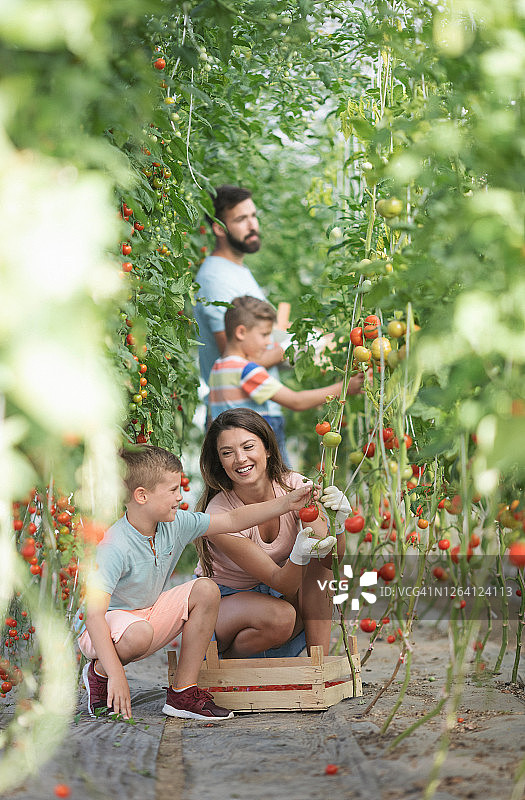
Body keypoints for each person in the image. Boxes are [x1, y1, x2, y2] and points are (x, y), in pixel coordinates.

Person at [77, 444, 329, 721]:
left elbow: (232, 519)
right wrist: (116, 674)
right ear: (142, 496)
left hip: (147, 615)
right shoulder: (115, 545)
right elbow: (94, 615)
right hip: (106, 628)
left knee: (206, 589)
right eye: (172, 490)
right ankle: (99, 673)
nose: (179, 496)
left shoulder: (176, 523)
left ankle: (183, 693)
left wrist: (286, 503)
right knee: (139, 634)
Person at [195, 409, 352, 658]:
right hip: (225, 602)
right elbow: (281, 581)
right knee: (281, 617)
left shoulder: (294, 486)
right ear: (219, 462)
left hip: (276, 595)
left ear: (267, 448)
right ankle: (230, 664)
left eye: (248, 447)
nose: (240, 459)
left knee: (317, 570)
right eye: (227, 453)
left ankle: (318, 665)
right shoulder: (220, 514)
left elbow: (329, 559)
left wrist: (338, 526)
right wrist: (299, 555)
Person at [193, 185, 286, 446]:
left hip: (258, 414)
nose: (252, 225)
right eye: (241, 219)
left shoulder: (238, 271)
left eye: (253, 216)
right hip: (241, 424)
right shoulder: (216, 278)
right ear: (219, 228)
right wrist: (296, 345)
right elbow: (234, 356)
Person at [208, 295, 364, 422]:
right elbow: (296, 401)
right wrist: (344, 388)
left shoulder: (218, 368)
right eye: (264, 334)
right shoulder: (247, 370)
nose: (269, 341)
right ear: (241, 332)